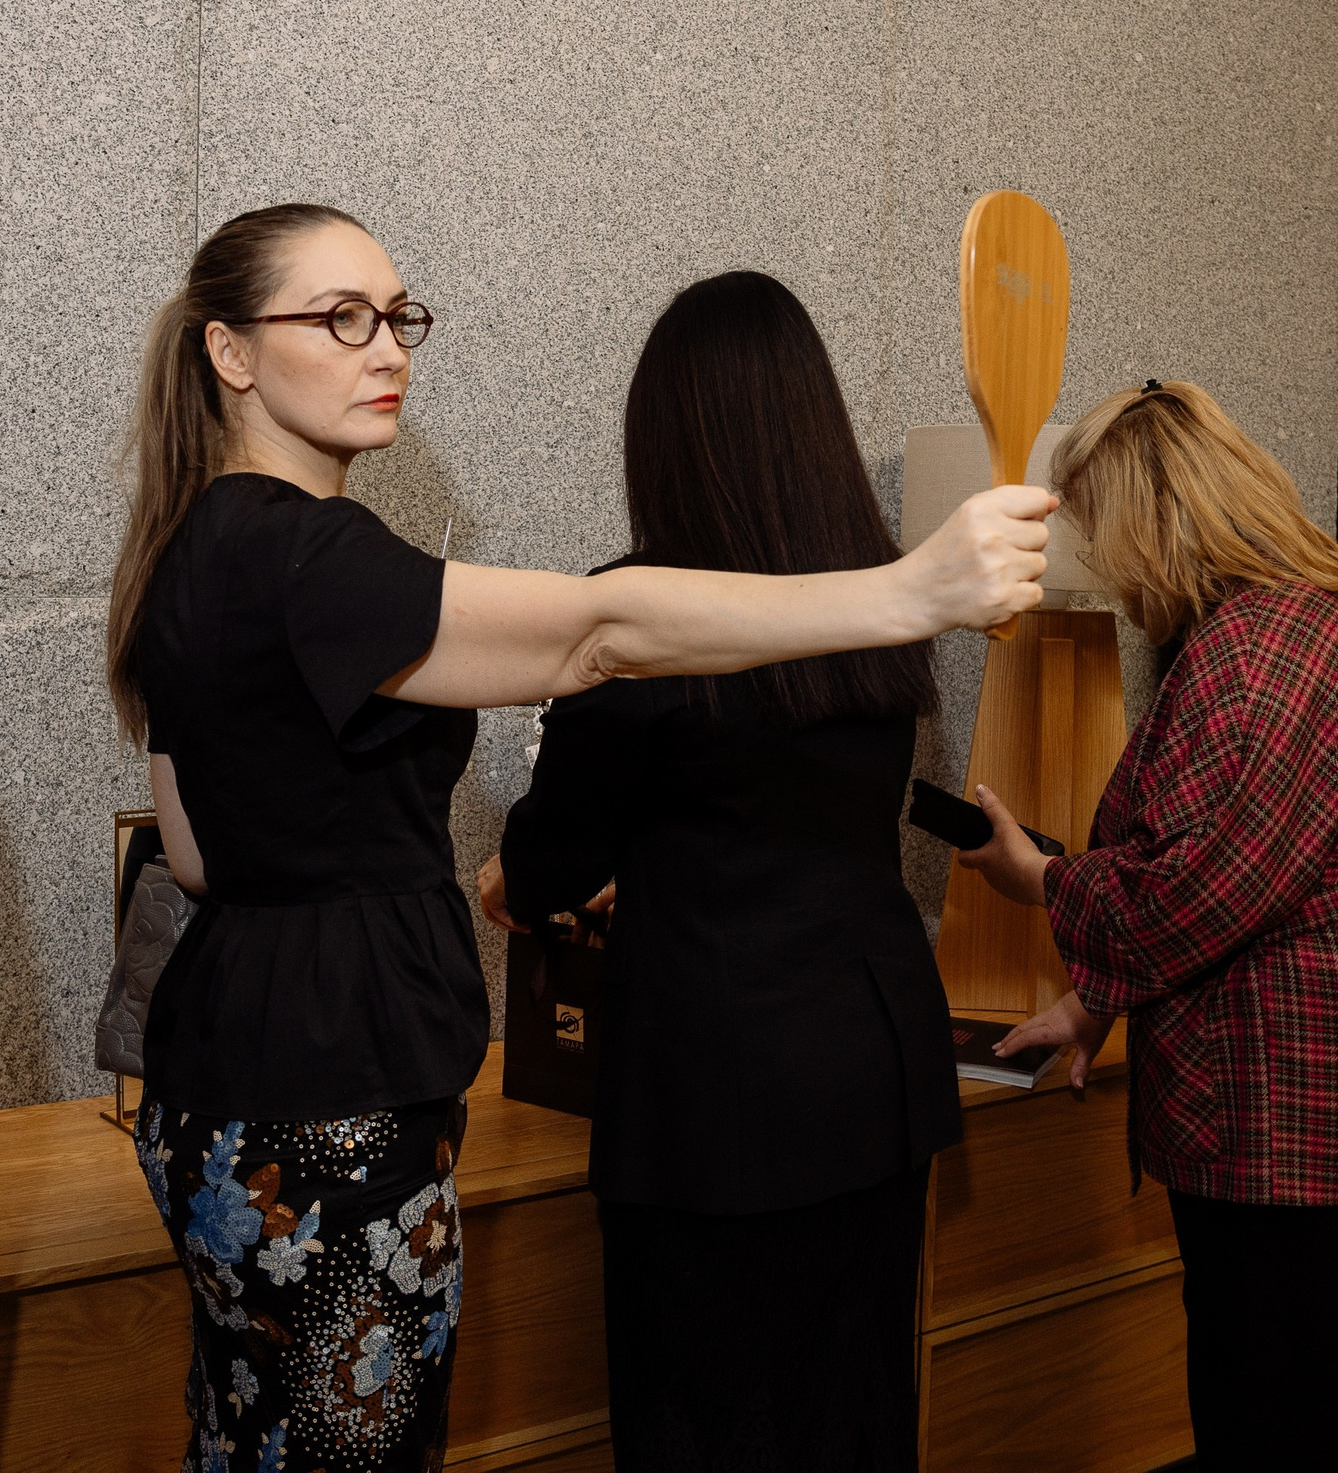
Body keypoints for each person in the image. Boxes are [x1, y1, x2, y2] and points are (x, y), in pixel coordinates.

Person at [108, 206, 1054, 1473]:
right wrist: (912, 593)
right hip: (332, 1102)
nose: (386, 347)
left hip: (228, 1072)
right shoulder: (304, 550)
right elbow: (594, 635)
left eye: (398, 317)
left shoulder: (192, 550)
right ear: (228, 354)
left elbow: (198, 852)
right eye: (340, 319)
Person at [475, 270, 959, 1472]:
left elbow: (548, 866)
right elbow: (796, 812)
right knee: (854, 1409)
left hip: (712, 1087)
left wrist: (521, 878)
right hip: (874, 1056)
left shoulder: (641, 618)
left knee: (704, 1416)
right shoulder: (878, 600)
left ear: (668, 439)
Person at [962, 380, 1338, 1473]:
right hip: (1336, 1084)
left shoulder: (1258, 661)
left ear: (1159, 520)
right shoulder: (1299, 619)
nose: (1107, 567)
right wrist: (1092, 997)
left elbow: (1191, 896)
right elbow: (1233, 872)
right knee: (1311, 1383)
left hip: (1300, 1100)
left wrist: (1041, 882)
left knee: (1273, 1405)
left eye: (1107, 534)